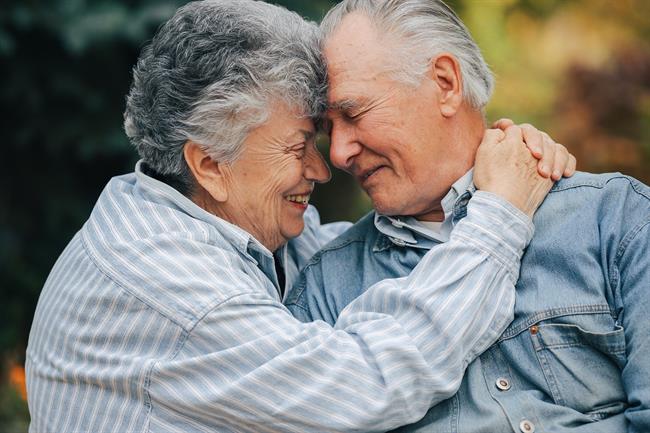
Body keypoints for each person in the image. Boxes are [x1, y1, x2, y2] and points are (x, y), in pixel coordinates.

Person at [24, 1, 573, 432]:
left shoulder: (218, 218)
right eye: (297, 146)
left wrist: (500, 167)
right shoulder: (161, 275)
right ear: (210, 164)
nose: (325, 165)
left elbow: (373, 251)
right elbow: (367, 385)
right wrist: (500, 217)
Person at [286, 1, 650, 432]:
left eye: (354, 113)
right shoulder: (327, 289)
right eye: (330, 130)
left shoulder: (614, 217)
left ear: (445, 83)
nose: (341, 153)